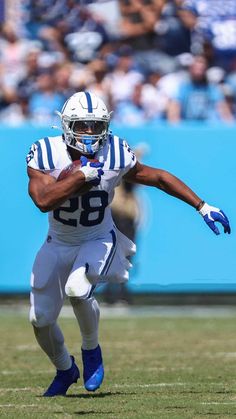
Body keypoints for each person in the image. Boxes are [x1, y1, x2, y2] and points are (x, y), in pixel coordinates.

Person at [26, 90, 231, 397]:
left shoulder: (115, 152)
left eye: (96, 125)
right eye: (82, 125)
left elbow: (156, 177)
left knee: (78, 289)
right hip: (57, 241)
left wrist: (201, 205)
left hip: (98, 237)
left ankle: (91, 350)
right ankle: (65, 368)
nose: (90, 133)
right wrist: (80, 175)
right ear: (67, 125)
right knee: (40, 319)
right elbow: (43, 200)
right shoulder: (45, 152)